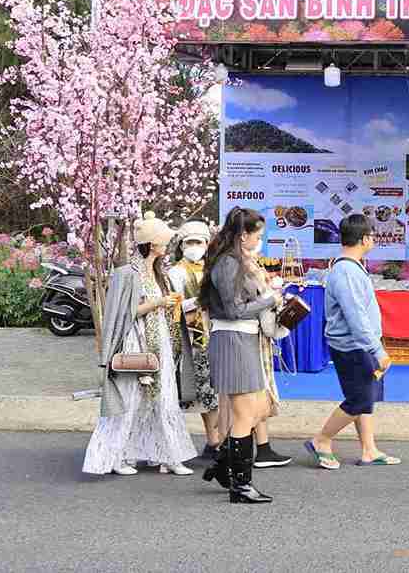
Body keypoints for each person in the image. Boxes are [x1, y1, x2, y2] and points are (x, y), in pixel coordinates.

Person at [83, 212, 197, 477]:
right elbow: (123, 312)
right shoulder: (127, 274)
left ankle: (169, 456)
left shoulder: (161, 273)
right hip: (136, 344)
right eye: (163, 241)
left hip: (162, 343)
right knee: (130, 401)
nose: (167, 246)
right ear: (151, 243)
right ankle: (116, 456)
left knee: (166, 399)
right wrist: (158, 303)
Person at [197, 208, 284, 504]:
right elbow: (234, 309)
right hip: (232, 338)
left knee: (259, 407)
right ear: (243, 235)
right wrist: (268, 300)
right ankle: (241, 484)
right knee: (247, 413)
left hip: (243, 339)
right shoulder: (228, 263)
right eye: (257, 234)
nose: (260, 239)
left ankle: (224, 463)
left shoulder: (237, 261)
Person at [306, 214, 400, 469]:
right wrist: (376, 349)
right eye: (372, 235)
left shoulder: (350, 266)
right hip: (353, 346)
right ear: (365, 238)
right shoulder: (346, 270)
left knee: (365, 398)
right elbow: (355, 315)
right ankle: (321, 440)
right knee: (358, 399)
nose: (374, 240)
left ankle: (369, 449)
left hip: (358, 343)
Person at [167, 219, 221, 463]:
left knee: (218, 391)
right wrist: (197, 302)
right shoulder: (175, 272)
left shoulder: (215, 268)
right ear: (181, 245)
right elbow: (171, 307)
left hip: (218, 333)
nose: (194, 246)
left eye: (199, 242)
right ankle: (212, 440)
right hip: (191, 339)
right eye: (189, 242)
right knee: (201, 391)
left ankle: (218, 439)